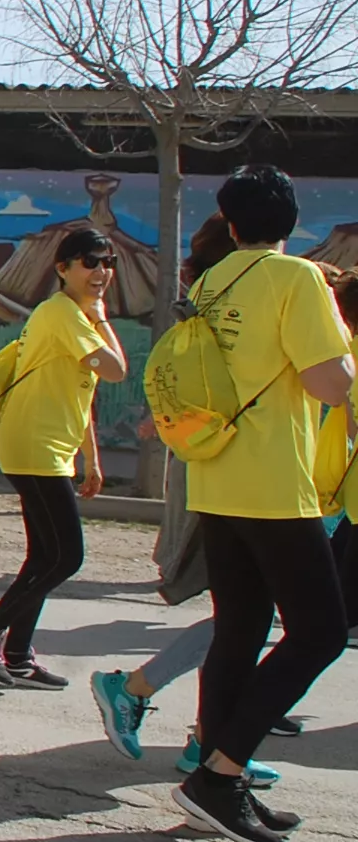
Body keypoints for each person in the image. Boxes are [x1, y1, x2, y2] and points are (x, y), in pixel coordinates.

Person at [165, 166, 351, 842]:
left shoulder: (211, 282)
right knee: (320, 633)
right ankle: (220, 772)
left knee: (239, 630)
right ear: (291, 221)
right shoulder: (297, 278)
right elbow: (329, 383)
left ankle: (218, 781)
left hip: (216, 475)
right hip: (275, 482)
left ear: (232, 222)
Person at [91, 216, 293, 782]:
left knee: (243, 618)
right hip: (239, 482)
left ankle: (206, 739)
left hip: (235, 478)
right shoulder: (234, 307)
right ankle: (141, 692)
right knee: (249, 619)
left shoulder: (218, 304)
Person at [0, 227, 129, 690]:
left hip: (48, 446)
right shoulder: (62, 314)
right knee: (67, 557)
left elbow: (81, 394)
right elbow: (116, 370)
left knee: (43, 557)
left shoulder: (73, 316)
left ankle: (16, 656)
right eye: (90, 262)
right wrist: (102, 319)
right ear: (63, 269)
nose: (101, 271)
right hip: (34, 445)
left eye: (108, 262)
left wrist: (91, 459)